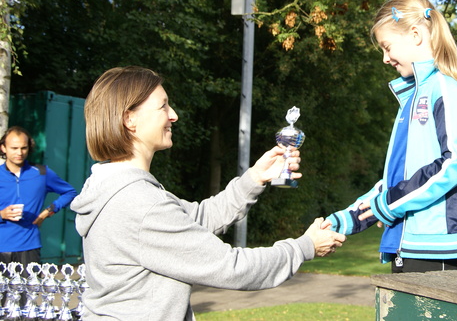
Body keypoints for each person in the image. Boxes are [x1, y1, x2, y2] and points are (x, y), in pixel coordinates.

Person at [70, 66, 346, 320]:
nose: (173, 115)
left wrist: (254, 177)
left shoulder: (118, 188)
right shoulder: (139, 203)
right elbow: (231, 267)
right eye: (163, 106)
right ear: (130, 119)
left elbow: (199, 218)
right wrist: (304, 246)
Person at [321, 0, 457, 272]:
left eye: (387, 46)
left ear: (416, 35)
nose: (385, 58)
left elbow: (456, 162)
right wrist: (344, 219)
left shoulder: (446, 88)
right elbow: (396, 181)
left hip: (434, 246)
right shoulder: (412, 98)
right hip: (403, 245)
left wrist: (389, 203)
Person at [0, 126, 78, 268]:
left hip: (29, 246)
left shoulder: (41, 173)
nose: (19, 152)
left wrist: (48, 211)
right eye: (14, 148)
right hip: (1, 245)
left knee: (29, 289)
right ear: (3, 148)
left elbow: (70, 192)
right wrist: (1, 214)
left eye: (24, 148)